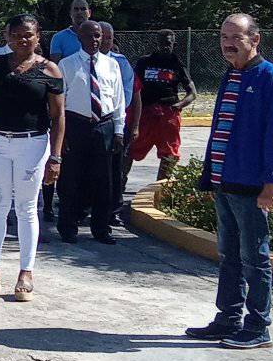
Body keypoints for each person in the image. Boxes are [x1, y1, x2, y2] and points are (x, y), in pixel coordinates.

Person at [186, 14, 273, 350]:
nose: (228, 43)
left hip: (250, 185)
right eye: (223, 37)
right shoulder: (230, 75)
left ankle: (258, 326)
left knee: (254, 257)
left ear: (255, 39)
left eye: (236, 37)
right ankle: (228, 318)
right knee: (228, 255)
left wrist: (271, 181)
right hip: (224, 181)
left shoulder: (269, 76)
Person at [0, 14, 64, 299]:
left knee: (26, 207)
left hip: (32, 144)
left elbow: (58, 118)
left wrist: (55, 158)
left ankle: (26, 272)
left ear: (38, 36)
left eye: (28, 35)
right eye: (16, 35)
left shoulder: (50, 71)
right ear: (7, 36)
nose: (22, 40)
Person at [56, 20, 126, 245]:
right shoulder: (66, 65)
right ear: (80, 38)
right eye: (90, 36)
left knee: (103, 181)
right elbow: (60, 102)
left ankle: (101, 228)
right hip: (76, 125)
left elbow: (118, 99)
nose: (95, 40)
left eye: (98, 36)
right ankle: (68, 228)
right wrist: (62, 134)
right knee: (71, 179)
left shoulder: (111, 65)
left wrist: (119, 130)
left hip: (103, 126)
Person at [129, 29, 196, 182]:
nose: (166, 47)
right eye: (163, 44)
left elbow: (192, 93)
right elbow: (132, 86)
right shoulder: (144, 62)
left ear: (174, 44)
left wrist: (179, 105)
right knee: (130, 149)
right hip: (145, 113)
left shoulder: (177, 64)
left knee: (170, 153)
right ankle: (119, 185)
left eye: (169, 44)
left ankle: (160, 187)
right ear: (157, 44)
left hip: (168, 114)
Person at [99, 22, 134, 223]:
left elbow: (128, 95)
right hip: (87, 124)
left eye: (109, 38)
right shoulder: (74, 62)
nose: (104, 41)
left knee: (114, 171)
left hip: (113, 121)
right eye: (101, 36)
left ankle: (112, 212)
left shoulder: (120, 63)